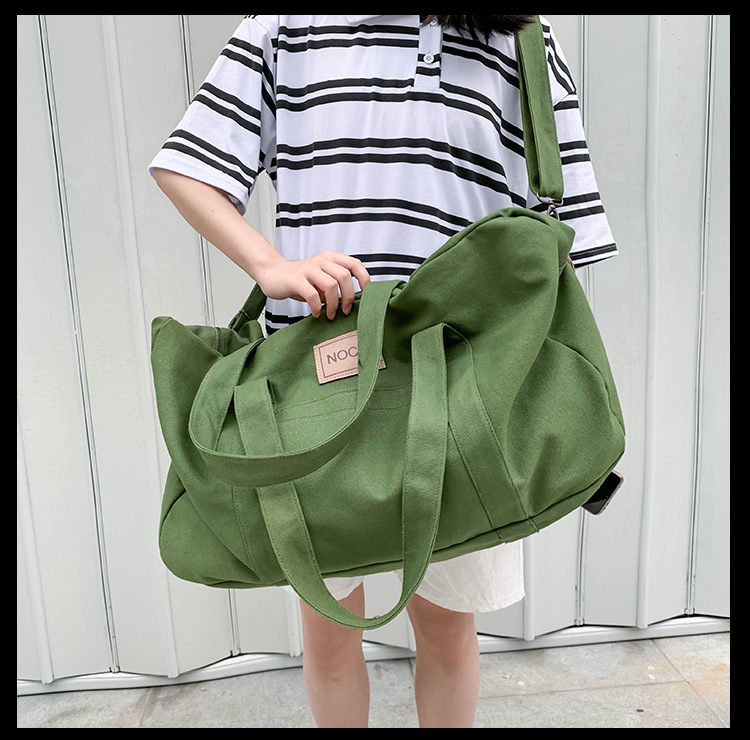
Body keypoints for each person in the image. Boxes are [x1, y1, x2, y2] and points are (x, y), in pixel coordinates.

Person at [149, 14, 617, 728]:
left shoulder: (516, 36)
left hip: (464, 383)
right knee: (329, 629)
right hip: (315, 385)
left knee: (448, 627)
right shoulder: (287, 27)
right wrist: (271, 266)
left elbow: (561, 233)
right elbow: (187, 165)